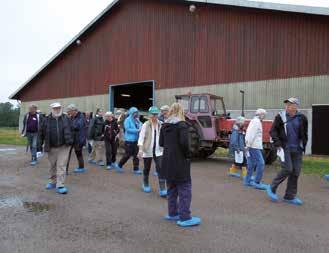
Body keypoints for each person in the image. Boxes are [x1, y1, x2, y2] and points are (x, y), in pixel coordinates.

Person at [160, 103, 201, 227]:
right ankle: (185, 217)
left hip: (166, 160)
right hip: (179, 161)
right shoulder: (182, 125)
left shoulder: (164, 126)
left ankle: (172, 213)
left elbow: (161, 143)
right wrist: (188, 155)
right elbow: (184, 143)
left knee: (171, 188)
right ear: (181, 112)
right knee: (185, 188)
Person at [267, 98, 308, 205]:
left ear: (296, 106)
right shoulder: (280, 116)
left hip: (297, 149)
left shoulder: (302, 118)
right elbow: (273, 131)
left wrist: (304, 144)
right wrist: (278, 143)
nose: (288, 106)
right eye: (287, 104)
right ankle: (271, 188)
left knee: (296, 172)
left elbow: (304, 132)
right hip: (285, 148)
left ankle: (289, 196)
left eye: (290, 104)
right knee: (288, 169)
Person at [41, 102, 73, 194]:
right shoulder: (46, 119)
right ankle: (53, 182)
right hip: (51, 146)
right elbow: (41, 132)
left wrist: (71, 140)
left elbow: (72, 129)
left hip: (64, 146)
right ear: (52, 109)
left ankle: (60, 185)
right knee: (52, 165)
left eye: (59, 108)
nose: (57, 110)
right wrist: (40, 146)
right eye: (55, 108)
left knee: (61, 165)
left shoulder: (66, 118)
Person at [138, 106, 167, 197]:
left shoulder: (161, 124)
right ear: (149, 115)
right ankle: (145, 183)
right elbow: (141, 138)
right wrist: (140, 150)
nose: (154, 116)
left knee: (161, 169)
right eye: (153, 114)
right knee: (147, 168)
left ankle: (162, 189)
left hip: (159, 151)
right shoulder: (145, 125)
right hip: (148, 150)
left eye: (156, 114)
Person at [244, 108, 268, 190]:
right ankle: (257, 182)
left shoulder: (254, 121)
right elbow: (251, 134)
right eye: (264, 115)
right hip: (254, 146)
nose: (264, 116)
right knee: (261, 163)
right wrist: (248, 145)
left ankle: (247, 180)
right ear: (260, 114)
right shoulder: (256, 122)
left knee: (251, 164)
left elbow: (249, 133)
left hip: (251, 145)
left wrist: (247, 145)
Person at [114, 107, 142, 174]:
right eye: (135, 112)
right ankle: (119, 165)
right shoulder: (127, 120)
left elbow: (141, 124)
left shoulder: (137, 120)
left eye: (137, 112)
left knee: (136, 155)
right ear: (131, 113)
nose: (136, 114)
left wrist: (140, 125)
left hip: (136, 140)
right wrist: (137, 130)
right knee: (127, 154)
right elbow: (127, 129)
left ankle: (136, 169)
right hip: (129, 140)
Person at [66, 104, 86, 173]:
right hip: (72, 138)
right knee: (68, 153)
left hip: (79, 139)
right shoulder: (72, 117)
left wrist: (69, 121)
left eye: (69, 111)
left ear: (74, 110)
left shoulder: (81, 116)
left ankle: (81, 167)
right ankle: (65, 169)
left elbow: (77, 126)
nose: (69, 113)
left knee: (78, 153)